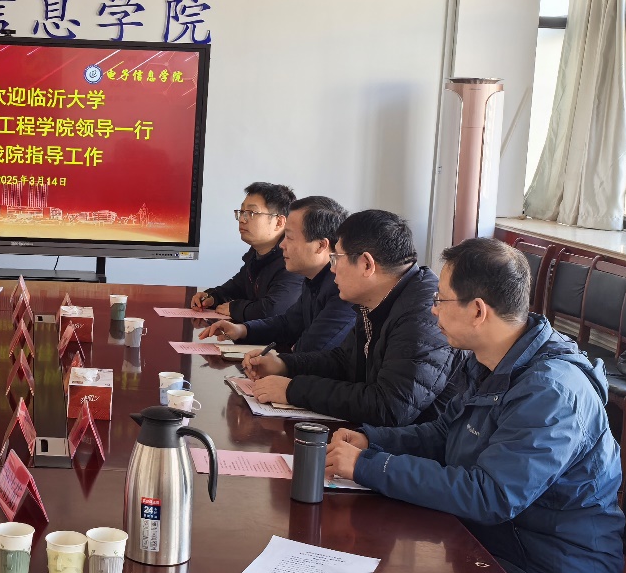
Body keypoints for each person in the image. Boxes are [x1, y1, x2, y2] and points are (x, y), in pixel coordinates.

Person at [323, 238, 624, 573]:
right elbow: (444, 434)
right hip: (500, 549)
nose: (432, 310)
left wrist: (370, 467)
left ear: (478, 310)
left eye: (440, 300)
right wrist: (371, 440)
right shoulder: (492, 359)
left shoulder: (551, 390)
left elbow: (491, 495)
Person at [246, 209, 457, 426]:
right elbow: (344, 361)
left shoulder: (423, 314)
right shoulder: (381, 298)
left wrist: (292, 390)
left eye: (336, 258)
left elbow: (389, 406)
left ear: (366, 264)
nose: (332, 269)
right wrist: (284, 365)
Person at [199, 196, 355, 358]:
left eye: (290, 237)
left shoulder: (343, 289)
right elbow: (288, 324)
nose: (282, 245)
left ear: (320, 245)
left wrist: (281, 363)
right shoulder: (314, 278)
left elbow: (311, 351)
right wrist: (243, 330)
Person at [190, 182, 303, 322]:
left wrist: (235, 308)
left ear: (279, 222)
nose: (242, 219)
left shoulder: (292, 260)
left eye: (251, 213)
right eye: (242, 212)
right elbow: (236, 287)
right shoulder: (257, 255)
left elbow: (274, 309)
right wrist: (212, 297)